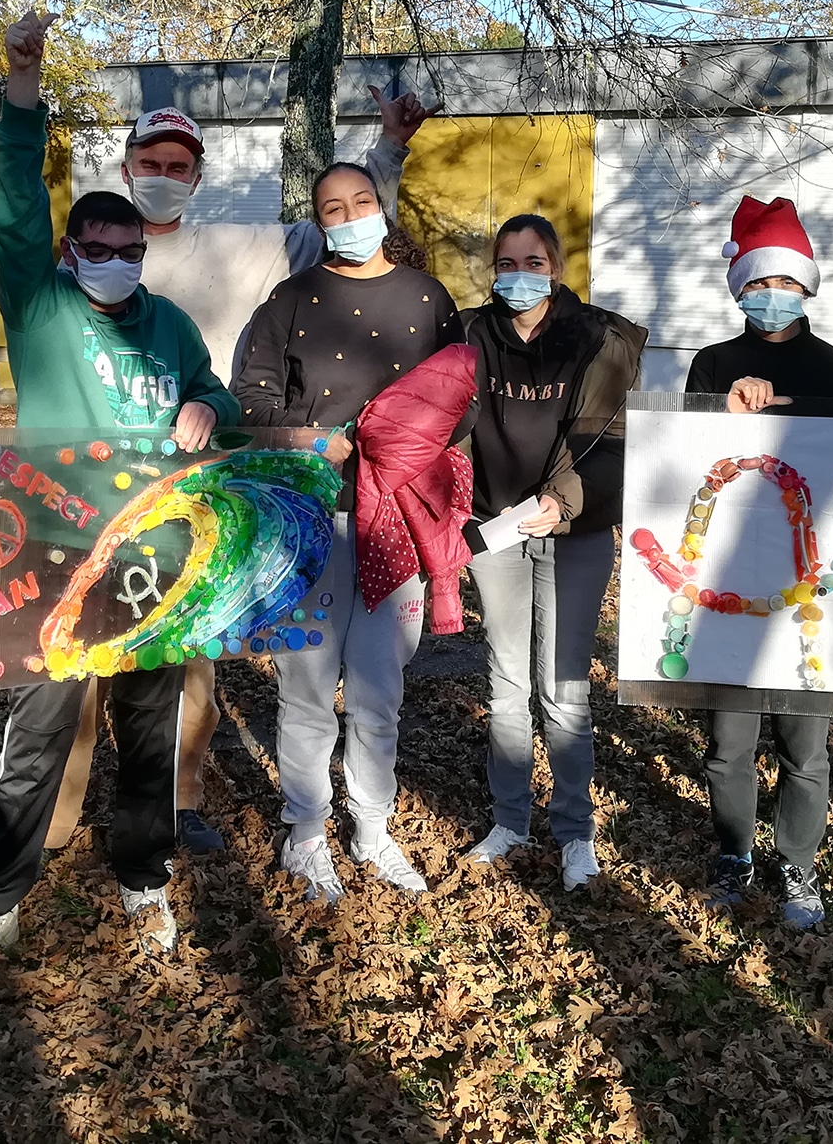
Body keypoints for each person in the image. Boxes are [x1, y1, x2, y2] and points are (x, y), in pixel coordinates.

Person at [0, 11, 243, 988]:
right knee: (35, 734)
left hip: (156, 558)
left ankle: (143, 879)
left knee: (149, 732)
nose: (113, 259)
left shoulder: (172, 326)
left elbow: (219, 397)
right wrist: (21, 84)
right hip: (55, 553)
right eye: (93, 245)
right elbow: (14, 205)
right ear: (70, 251)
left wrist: (204, 402)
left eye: (127, 248)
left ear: (143, 252)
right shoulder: (43, 307)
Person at [48, 87, 437, 855]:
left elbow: (350, 218)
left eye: (179, 165)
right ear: (127, 167)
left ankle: (179, 800)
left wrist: (391, 144)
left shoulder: (241, 247)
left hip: (198, 483)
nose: (163, 173)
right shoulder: (81, 268)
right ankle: (58, 817)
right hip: (92, 487)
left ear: (197, 177)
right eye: (150, 161)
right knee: (77, 660)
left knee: (189, 649)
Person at [233, 162, 462, 901]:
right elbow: (251, 400)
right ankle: (305, 832)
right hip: (312, 522)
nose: (349, 216)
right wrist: (305, 437)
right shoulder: (292, 300)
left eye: (361, 201)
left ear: (381, 205)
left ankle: (371, 826)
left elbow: (464, 401)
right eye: (332, 208)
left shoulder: (429, 301)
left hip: (397, 525)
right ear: (319, 221)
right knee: (305, 689)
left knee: (379, 688)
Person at [683, 195, 833, 931]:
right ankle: (734, 851)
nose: (773, 297)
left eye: (786, 284)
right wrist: (718, 410)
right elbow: (679, 463)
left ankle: (799, 859)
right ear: (739, 286)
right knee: (728, 739)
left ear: (808, 285)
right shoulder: (713, 363)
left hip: (812, 587)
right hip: (729, 576)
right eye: (760, 284)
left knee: (805, 741)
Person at [458, 214, 644, 892]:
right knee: (506, 682)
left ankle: (574, 832)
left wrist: (561, 502)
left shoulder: (600, 339)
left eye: (532, 262)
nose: (518, 275)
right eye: (506, 262)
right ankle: (510, 819)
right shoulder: (475, 334)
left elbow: (609, 440)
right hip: (496, 529)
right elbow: (449, 420)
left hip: (576, 531)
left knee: (564, 691)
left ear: (556, 267)